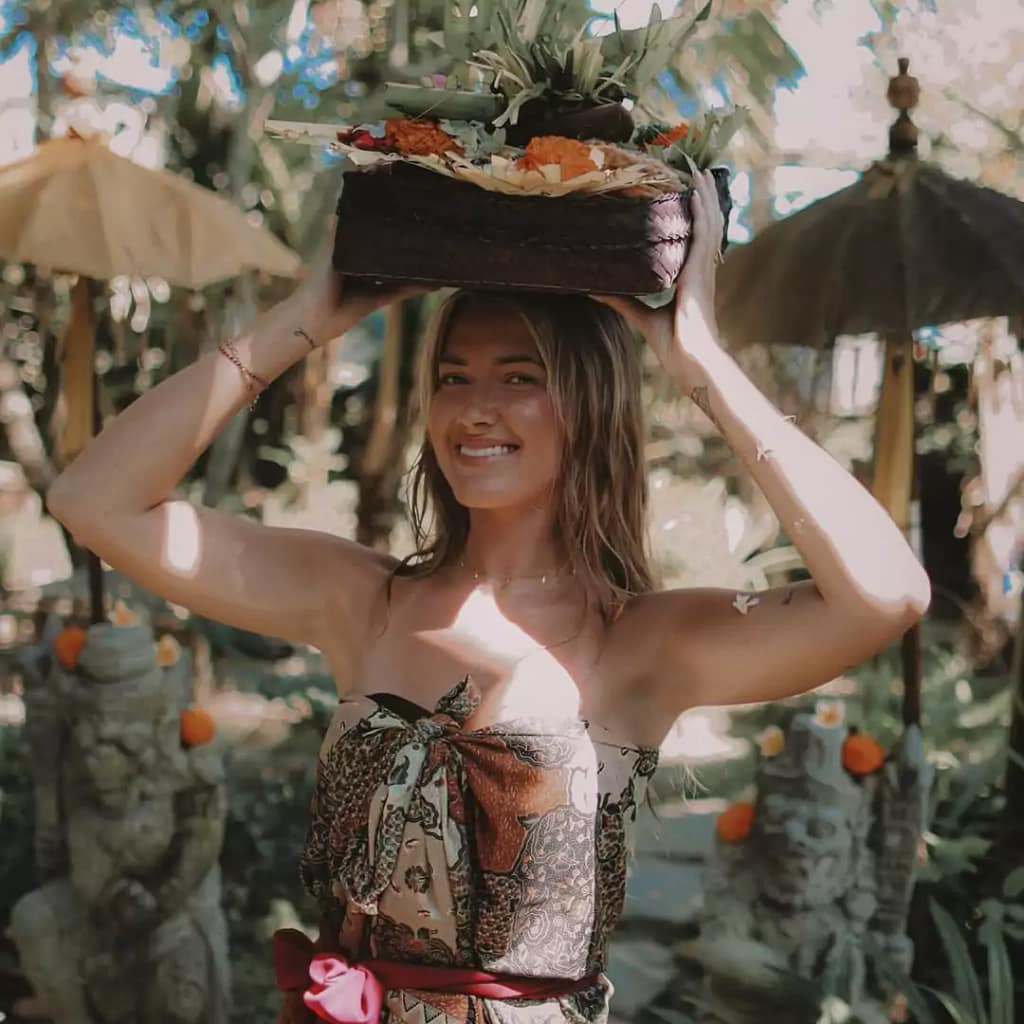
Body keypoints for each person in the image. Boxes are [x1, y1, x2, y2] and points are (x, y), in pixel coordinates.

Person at [46, 169, 930, 1024]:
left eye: (519, 377)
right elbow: (95, 502)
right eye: (453, 375)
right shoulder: (360, 601)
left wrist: (697, 361)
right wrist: (304, 320)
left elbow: (884, 595)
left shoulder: (644, 645)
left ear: (588, 405)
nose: (473, 407)